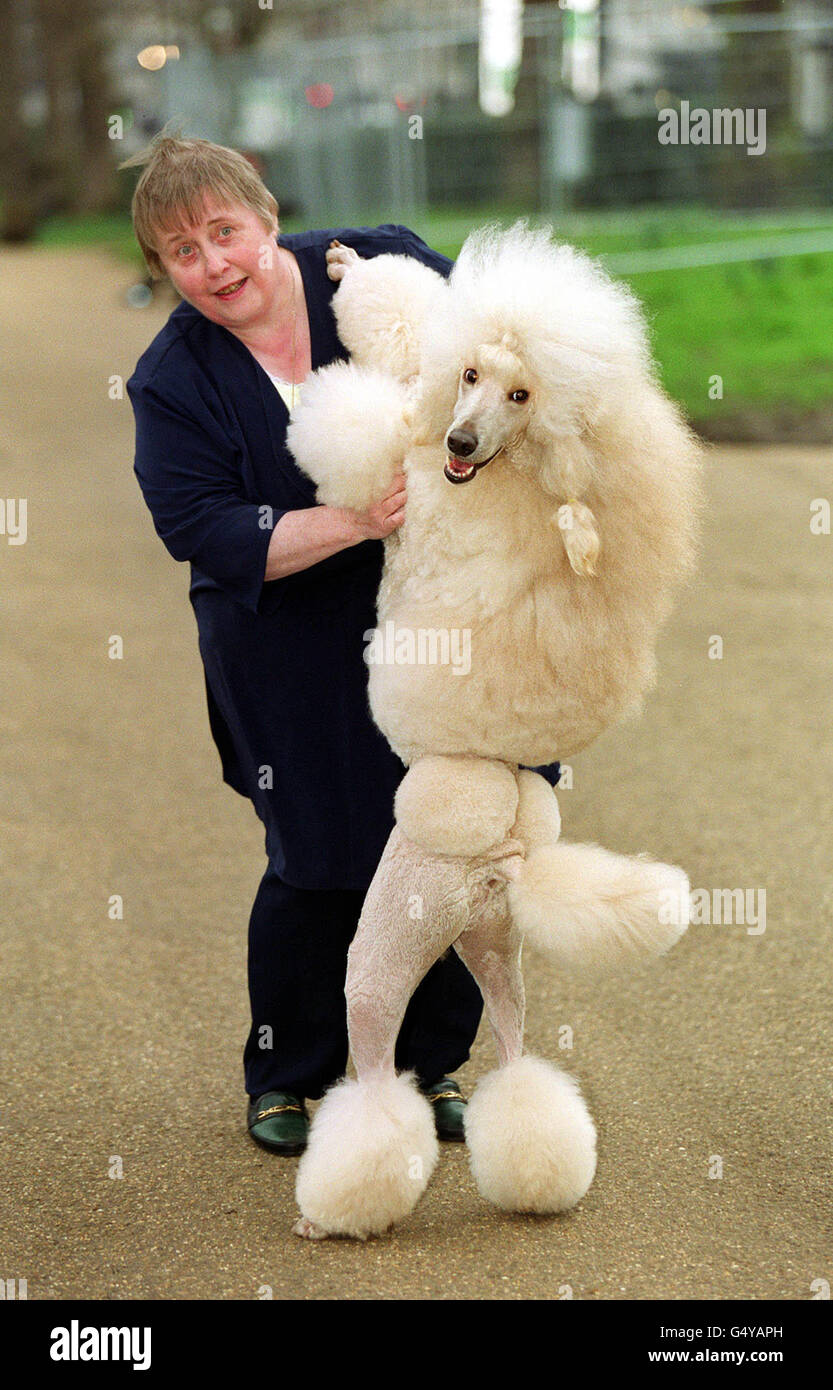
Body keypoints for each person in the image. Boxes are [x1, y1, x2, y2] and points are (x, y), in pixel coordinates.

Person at [124, 135, 559, 1155]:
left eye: (223, 231)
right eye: (181, 252)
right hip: (284, 641)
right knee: (318, 858)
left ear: (265, 218)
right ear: (165, 271)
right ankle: (287, 1073)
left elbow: (498, 367)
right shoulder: (169, 380)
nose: (213, 264)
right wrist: (355, 521)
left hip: (444, 621)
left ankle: (430, 1065)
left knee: (453, 840)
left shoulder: (373, 267)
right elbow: (202, 528)